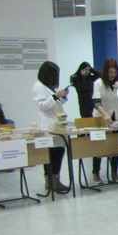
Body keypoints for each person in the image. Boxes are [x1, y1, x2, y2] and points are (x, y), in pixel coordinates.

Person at [31, 61, 70, 193]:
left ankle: (56, 179)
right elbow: (42, 106)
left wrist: (62, 96)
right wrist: (55, 96)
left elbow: (56, 104)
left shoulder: (49, 87)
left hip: (58, 124)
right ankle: (50, 180)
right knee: (51, 154)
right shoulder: (38, 87)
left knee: (59, 151)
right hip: (48, 125)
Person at [91, 58, 118, 183]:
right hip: (101, 116)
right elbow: (96, 102)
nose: (113, 75)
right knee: (99, 146)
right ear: (105, 72)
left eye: (115, 72)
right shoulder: (98, 83)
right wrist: (104, 114)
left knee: (114, 145)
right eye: (110, 72)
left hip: (116, 117)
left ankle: (114, 172)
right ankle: (96, 172)